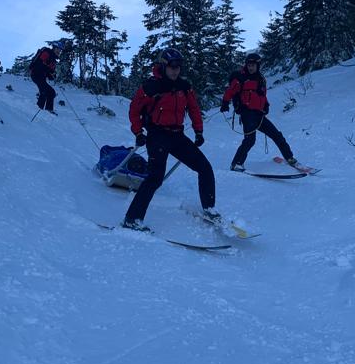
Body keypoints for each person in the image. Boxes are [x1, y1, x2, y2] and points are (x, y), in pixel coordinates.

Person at [123, 48, 218, 231]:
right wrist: (138, 132)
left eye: (178, 67)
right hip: (157, 135)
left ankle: (209, 209)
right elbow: (134, 110)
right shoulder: (151, 87)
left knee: (205, 168)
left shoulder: (184, 86)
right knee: (155, 178)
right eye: (172, 67)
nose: (175, 70)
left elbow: (194, 108)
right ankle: (132, 219)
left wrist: (198, 131)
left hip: (177, 135)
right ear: (164, 66)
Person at [220, 52, 297, 171]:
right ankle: (236, 164)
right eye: (249, 65)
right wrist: (225, 103)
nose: (250, 67)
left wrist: (266, 105)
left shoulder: (260, 79)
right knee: (250, 140)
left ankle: (289, 157)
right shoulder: (241, 78)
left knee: (276, 135)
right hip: (247, 114)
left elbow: (262, 95)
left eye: (253, 65)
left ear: (258, 66)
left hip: (259, 115)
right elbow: (230, 91)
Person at [29, 41, 62, 114]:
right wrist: (48, 68)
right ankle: (39, 108)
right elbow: (40, 62)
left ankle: (49, 110)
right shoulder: (47, 52)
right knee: (44, 91)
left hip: (42, 77)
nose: (59, 51)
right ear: (54, 48)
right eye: (58, 49)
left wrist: (52, 75)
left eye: (60, 50)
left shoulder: (54, 60)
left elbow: (50, 75)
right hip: (36, 74)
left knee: (51, 92)